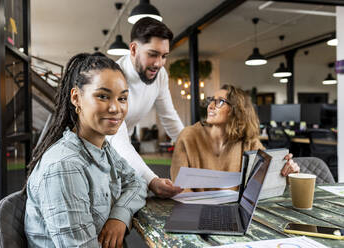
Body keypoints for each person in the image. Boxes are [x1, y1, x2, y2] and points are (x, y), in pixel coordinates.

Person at [25, 53, 147, 248]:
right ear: (76, 98)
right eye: (103, 96)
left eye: (122, 98)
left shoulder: (103, 149)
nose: (116, 108)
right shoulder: (65, 167)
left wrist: (119, 216)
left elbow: (137, 183)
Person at [170, 84, 299, 192]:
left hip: (235, 210)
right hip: (196, 211)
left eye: (219, 101)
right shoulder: (188, 136)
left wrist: (289, 172)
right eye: (211, 100)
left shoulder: (249, 142)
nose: (210, 106)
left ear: (237, 110)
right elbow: (179, 188)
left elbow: (269, 177)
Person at [108, 17, 183, 198]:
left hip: (125, 144)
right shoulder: (113, 77)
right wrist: (151, 180)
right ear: (133, 49)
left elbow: (169, 117)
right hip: (103, 145)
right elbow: (117, 139)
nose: (159, 63)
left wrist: (191, 146)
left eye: (164, 56)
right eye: (153, 54)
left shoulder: (160, 75)